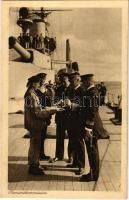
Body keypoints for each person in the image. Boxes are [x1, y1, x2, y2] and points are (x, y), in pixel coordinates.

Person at [24, 75, 58, 175]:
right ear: (34, 83)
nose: (40, 84)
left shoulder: (31, 93)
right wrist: (52, 111)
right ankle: (33, 167)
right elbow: (37, 112)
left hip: (33, 123)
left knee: (35, 145)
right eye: (38, 83)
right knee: (35, 145)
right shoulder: (31, 95)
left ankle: (36, 163)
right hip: (34, 124)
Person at [80, 74, 109, 182]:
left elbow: (92, 112)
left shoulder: (92, 93)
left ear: (87, 82)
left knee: (92, 151)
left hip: (92, 127)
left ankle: (93, 175)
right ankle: (93, 173)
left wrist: (88, 129)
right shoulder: (92, 92)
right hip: (91, 126)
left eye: (83, 82)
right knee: (92, 150)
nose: (82, 84)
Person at [65, 72, 85, 175]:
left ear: (78, 80)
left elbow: (84, 107)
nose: (69, 81)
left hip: (78, 122)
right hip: (70, 121)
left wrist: (71, 104)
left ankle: (81, 166)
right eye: (69, 79)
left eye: (72, 80)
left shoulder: (82, 91)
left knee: (79, 143)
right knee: (73, 142)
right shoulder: (71, 90)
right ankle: (76, 163)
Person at [50, 69, 70, 163]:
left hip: (71, 117)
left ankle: (71, 157)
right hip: (61, 116)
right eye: (62, 77)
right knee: (59, 137)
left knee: (72, 138)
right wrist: (59, 103)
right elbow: (55, 102)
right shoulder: (59, 89)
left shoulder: (73, 89)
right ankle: (58, 155)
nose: (63, 79)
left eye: (65, 77)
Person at [35, 73, 52, 160]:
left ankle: (41, 154)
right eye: (42, 79)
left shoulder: (46, 90)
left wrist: (49, 117)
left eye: (44, 79)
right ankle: (37, 155)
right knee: (38, 137)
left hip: (45, 115)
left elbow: (49, 102)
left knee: (43, 136)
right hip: (38, 116)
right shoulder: (36, 91)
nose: (43, 81)